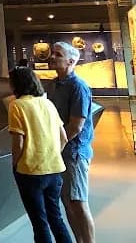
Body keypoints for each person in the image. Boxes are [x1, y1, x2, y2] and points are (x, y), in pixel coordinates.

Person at [8, 66, 72, 243]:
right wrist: (50, 156)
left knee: (39, 223)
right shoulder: (48, 103)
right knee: (56, 219)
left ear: (16, 84)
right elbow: (64, 138)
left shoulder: (17, 106)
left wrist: (15, 165)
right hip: (54, 170)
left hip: (30, 173)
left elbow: (18, 143)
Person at [48, 41, 96, 243]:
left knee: (78, 202)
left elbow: (76, 126)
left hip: (74, 152)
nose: (52, 57)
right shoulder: (54, 85)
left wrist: (55, 147)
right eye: (53, 53)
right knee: (67, 201)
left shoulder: (78, 87)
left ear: (71, 61)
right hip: (62, 151)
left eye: (57, 54)